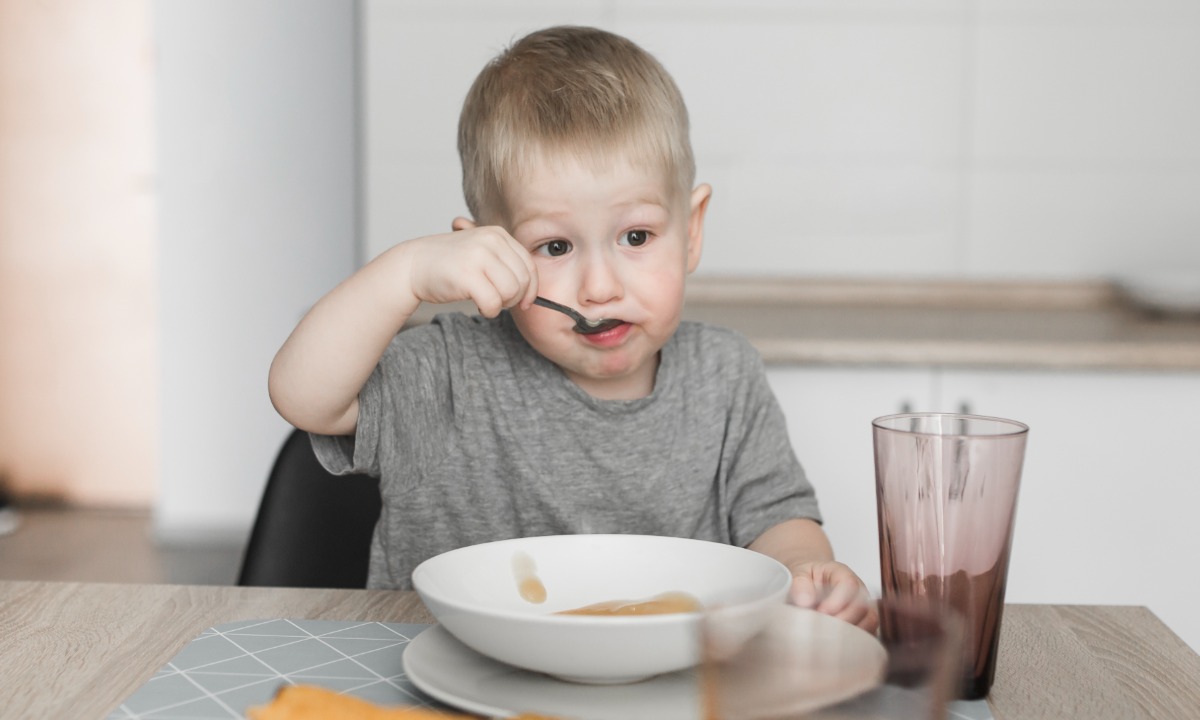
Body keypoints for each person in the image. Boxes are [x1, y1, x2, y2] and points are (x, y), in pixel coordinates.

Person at [269, 26, 876, 631]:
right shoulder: (445, 372)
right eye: (554, 246)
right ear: (484, 253)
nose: (599, 287)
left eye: (636, 237)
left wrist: (805, 574)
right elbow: (303, 397)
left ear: (691, 230)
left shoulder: (725, 375)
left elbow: (778, 520)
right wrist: (403, 275)